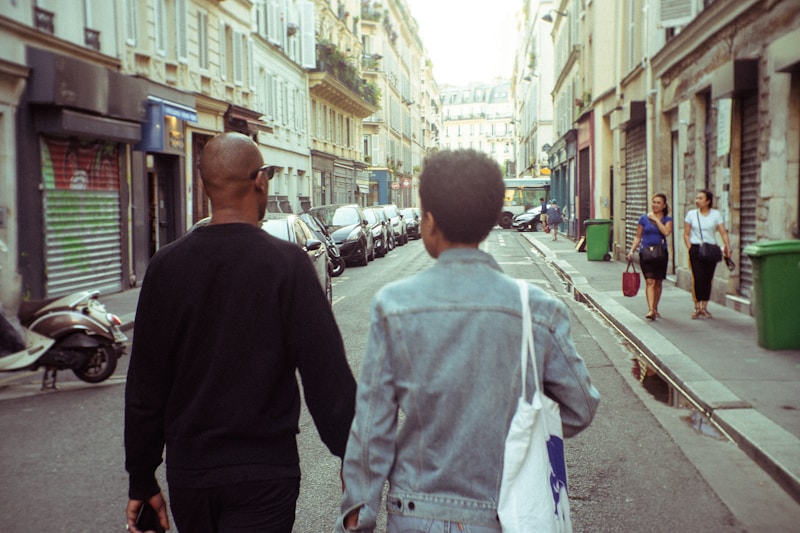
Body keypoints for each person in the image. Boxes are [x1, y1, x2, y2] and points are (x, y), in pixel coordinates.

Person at [334, 149, 599, 532]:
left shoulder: (393, 306)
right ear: (493, 219)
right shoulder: (537, 310)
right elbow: (581, 407)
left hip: (416, 510)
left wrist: (359, 510)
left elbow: (373, 424)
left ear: (429, 222)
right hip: (504, 512)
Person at [124, 132, 356, 533]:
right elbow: (326, 380)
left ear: (204, 185)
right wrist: (352, 459)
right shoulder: (287, 265)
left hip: (191, 474)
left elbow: (145, 386)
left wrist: (141, 478)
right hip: (264, 471)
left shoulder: (165, 267)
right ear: (260, 181)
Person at [683, 189, 732, 319]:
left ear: (708, 201)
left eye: (700, 198)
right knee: (697, 277)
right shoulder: (691, 214)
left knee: (707, 278)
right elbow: (686, 233)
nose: (697, 201)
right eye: (696, 198)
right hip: (696, 248)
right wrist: (690, 248)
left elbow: (722, 232)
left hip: (710, 249)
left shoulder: (715, 215)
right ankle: (696, 306)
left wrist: (728, 247)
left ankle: (704, 307)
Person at [627, 193, 673, 320]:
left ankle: (655, 306)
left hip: (660, 253)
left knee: (658, 282)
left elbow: (666, 232)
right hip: (646, 253)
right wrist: (632, 250)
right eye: (654, 202)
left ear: (664, 205)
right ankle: (651, 309)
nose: (655, 205)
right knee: (649, 281)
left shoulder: (667, 220)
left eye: (658, 203)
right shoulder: (643, 219)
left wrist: (656, 220)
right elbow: (638, 236)